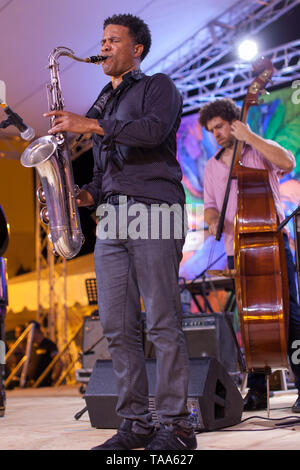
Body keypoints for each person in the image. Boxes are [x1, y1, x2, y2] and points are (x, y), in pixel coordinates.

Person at [44, 14, 197, 451]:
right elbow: (108, 170)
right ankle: (136, 424)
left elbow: (151, 133)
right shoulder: (103, 101)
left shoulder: (158, 86)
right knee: (117, 326)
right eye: (102, 39)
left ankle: (177, 426)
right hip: (111, 217)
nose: (104, 46)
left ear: (138, 50)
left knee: (163, 322)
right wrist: (80, 196)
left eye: (114, 40)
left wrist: (90, 125)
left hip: (154, 207)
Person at [200, 98, 300, 412]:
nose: (216, 133)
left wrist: (251, 137)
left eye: (220, 126)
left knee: (292, 317)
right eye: (211, 129)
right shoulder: (213, 165)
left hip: (272, 243)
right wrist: (213, 220)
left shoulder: (258, 148)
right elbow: (210, 206)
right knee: (248, 320)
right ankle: (257, 391)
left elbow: (287, 163)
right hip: (237, 249)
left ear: (234, 122)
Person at [26, 322, 63, 387]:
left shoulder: (49, 344)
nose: (27, 335)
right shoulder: (31, 346)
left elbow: (59, 363)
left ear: (35, 331)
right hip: (31, 385)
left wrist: (54, 380)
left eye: (28, 332)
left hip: (44, 385)